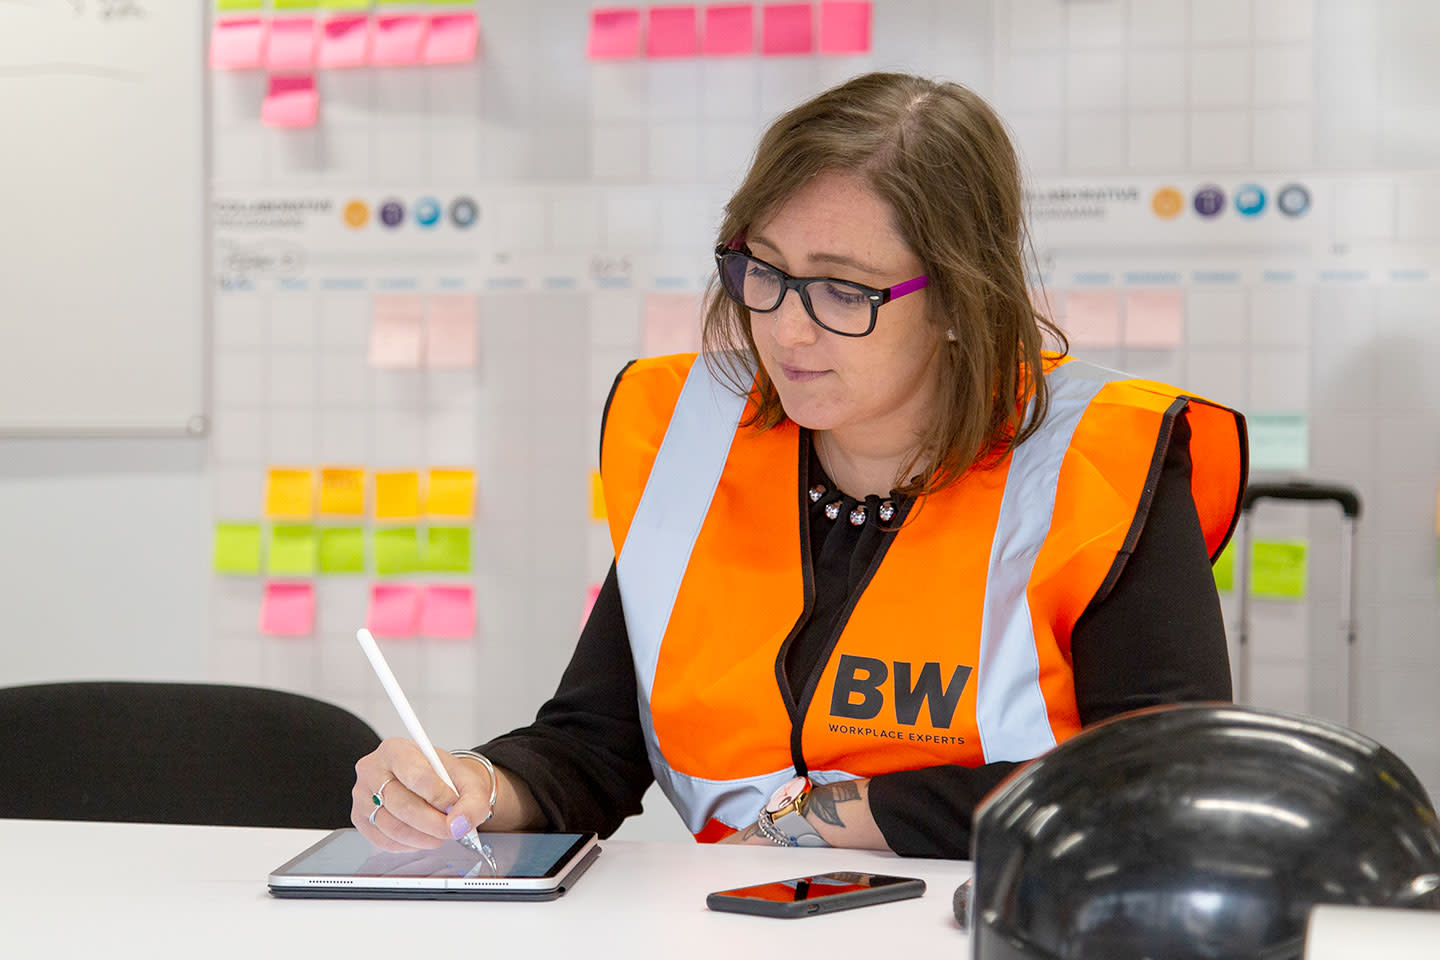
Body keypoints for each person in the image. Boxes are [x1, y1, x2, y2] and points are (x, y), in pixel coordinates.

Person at [352, 72, 1246, 860]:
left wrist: (847, 812)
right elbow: (594, 746)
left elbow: (1164, 792)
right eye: (763, 271)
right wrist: (475, 786)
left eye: (842, 289)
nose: (785, 326)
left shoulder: (1104, 462)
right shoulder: (694, 438)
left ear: (959, 297)